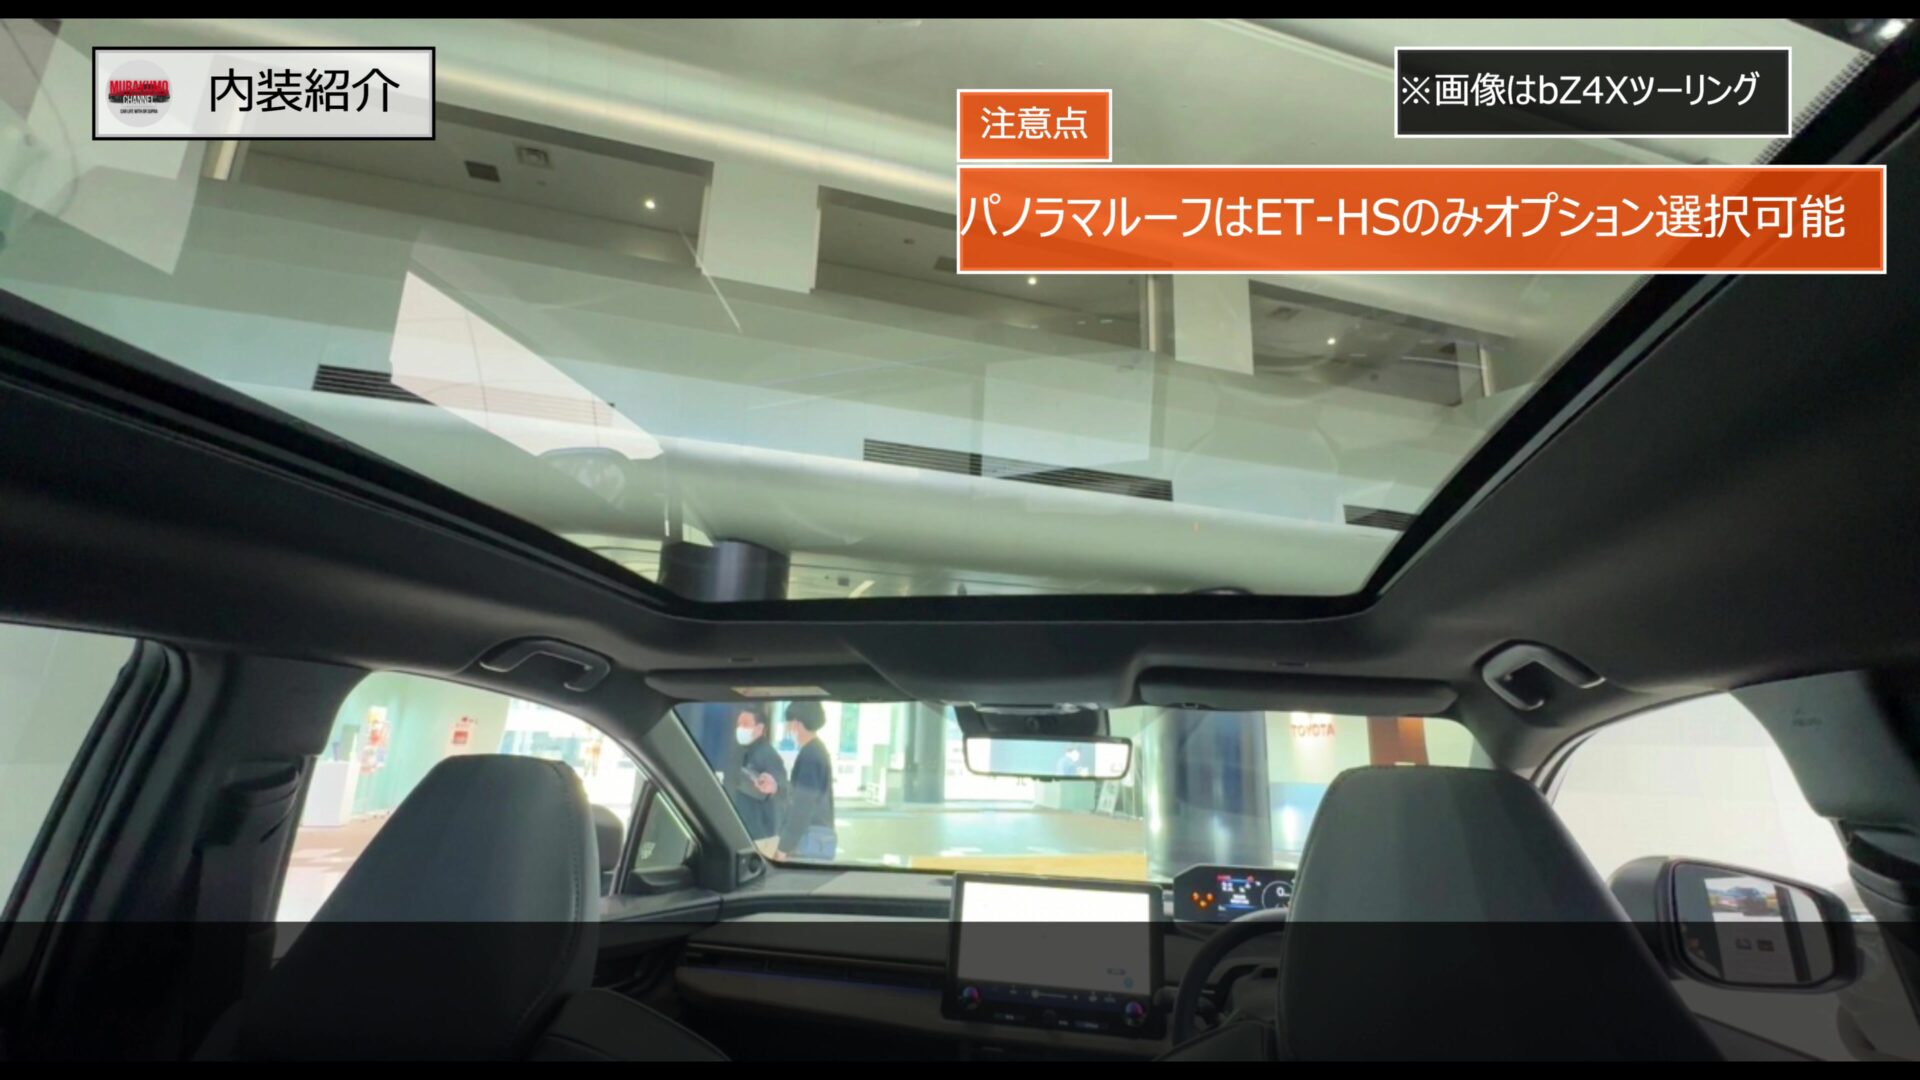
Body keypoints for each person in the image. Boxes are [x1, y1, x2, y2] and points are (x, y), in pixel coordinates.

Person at [774, 700, 836, 862]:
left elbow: (802, 806)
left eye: (788, 723)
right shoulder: (817, 750)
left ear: (796, 723)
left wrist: (784, 847)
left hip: (807, 843)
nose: (786, 728)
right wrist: (776, 788)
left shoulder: (810, 755)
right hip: (817, 839)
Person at [727, 705, 787, 859]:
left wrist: (774, 786)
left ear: (759, 728)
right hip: (745, 834)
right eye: (739, 724)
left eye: (746, 724)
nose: (740, 728)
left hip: (761, 837)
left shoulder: (768, 755)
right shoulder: (742, 752)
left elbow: (781, 787)